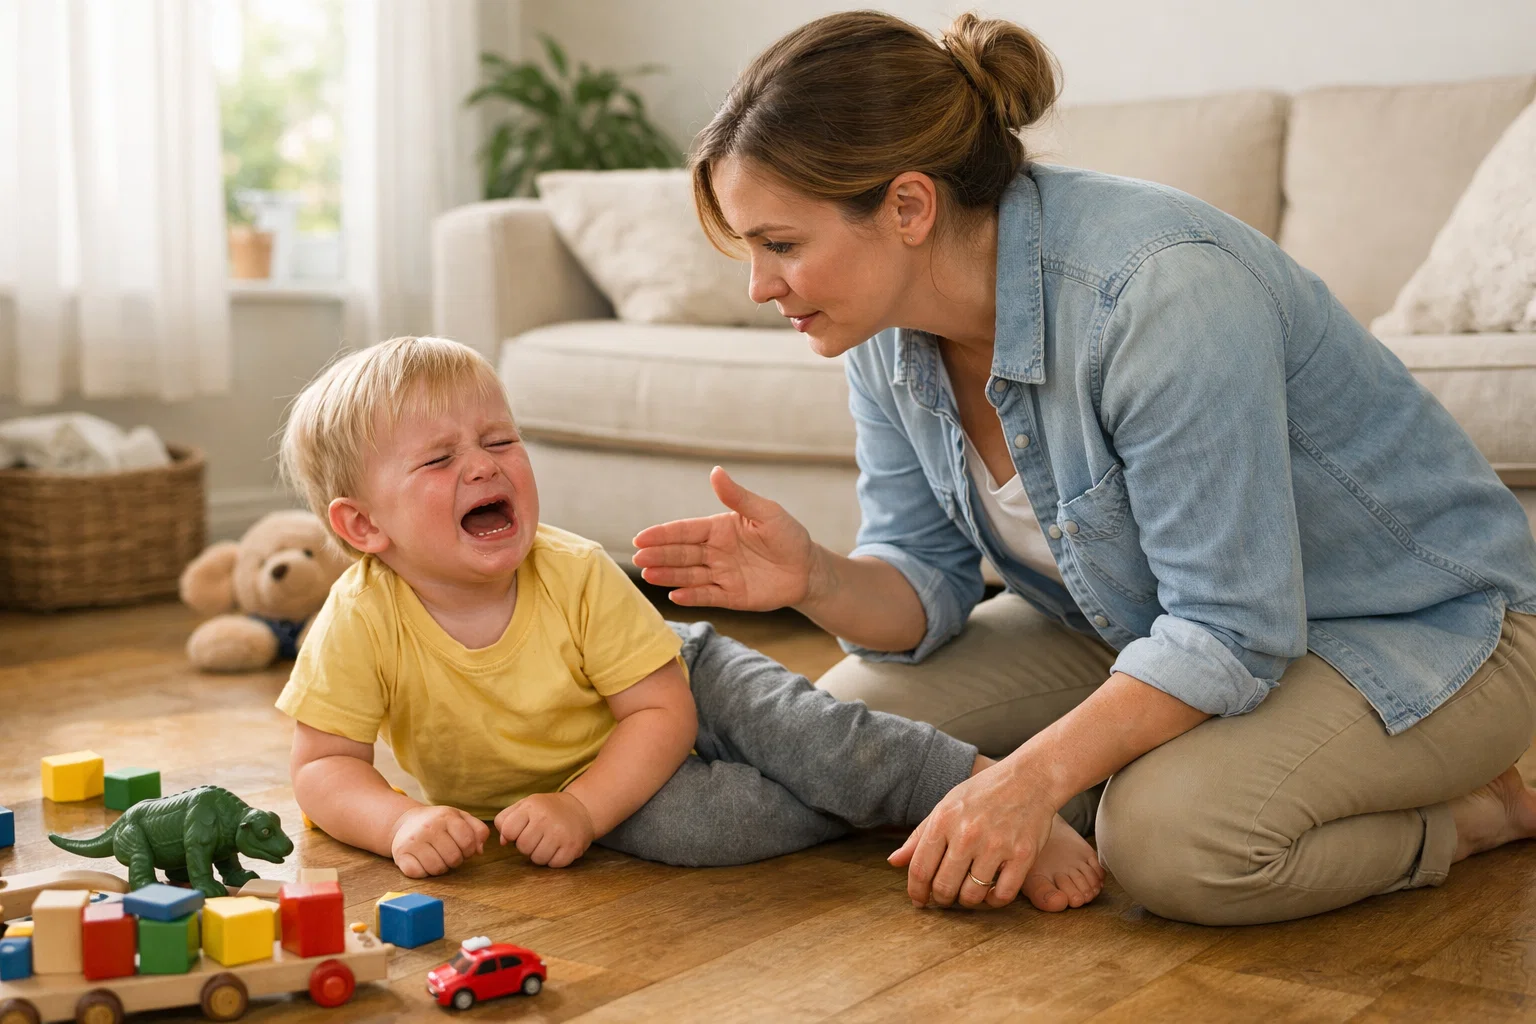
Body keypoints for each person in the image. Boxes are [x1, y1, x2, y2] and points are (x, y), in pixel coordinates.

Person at [632, 10, 1536, 924]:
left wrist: (1028, 781)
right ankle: (1137, 773)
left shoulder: (1158, 293)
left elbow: (1232, 628)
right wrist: (816, 577)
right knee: (855, 711)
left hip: (1431, 631)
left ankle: (1471, 815)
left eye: (780, 244)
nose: (759, 286)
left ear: (909, 207)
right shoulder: (879, 329)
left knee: (1166, 842)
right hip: (1138, 623)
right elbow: (923, 581)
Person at [273, 335, 997, 880]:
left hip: (683, 682)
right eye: (438, 460)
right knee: (705, 833)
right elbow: (324, 768)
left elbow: (660, 711)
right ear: (363, 527)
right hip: (580, 782)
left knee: (821, 742)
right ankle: (892, 804)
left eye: (500, 440)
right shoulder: (359, 618)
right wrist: (402, 823)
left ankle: (991, 793)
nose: (485, 465)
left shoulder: (576, 570)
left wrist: (585, 811)